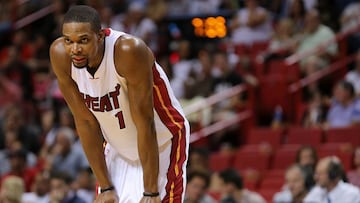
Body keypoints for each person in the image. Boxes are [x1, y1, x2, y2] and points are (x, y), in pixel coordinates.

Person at [49, 5, 190, 203]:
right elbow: (85, 123)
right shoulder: (60, 55)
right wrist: (105, 186)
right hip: (117, 147)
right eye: (68, 41)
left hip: (161, 140)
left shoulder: (128, 51)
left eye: (83, 40)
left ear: (100, 36)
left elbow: (145, 122)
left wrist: (150, 192)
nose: (75, 49)